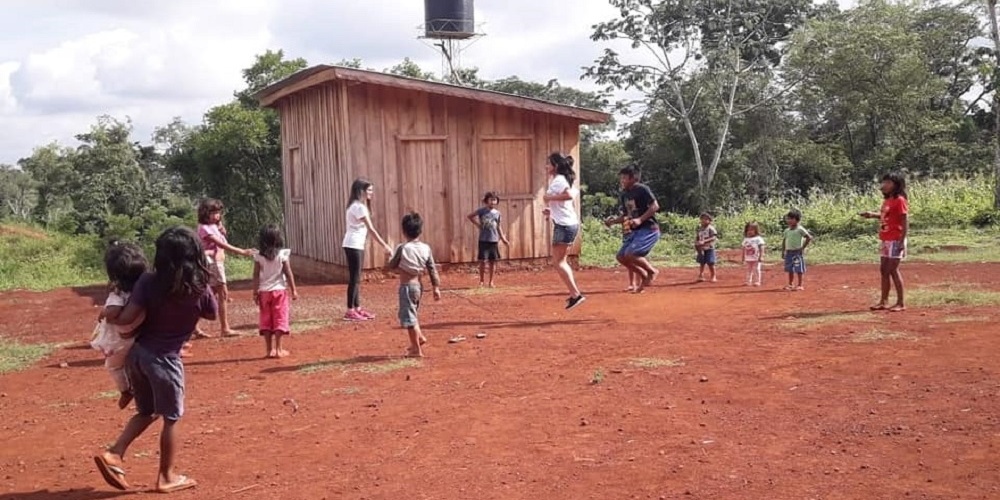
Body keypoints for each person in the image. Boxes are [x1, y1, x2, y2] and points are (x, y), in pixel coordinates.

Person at [93, 226, 218, 494]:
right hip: (165, 361)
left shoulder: (148, 281)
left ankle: (115, 453)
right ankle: (166, 476)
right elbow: (212, 314)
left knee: (147, 411)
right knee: (172, 417)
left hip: (137, 356)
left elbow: (127, 317)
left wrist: (109, 314)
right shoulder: (199, 289)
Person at [90, 241, 147, 410]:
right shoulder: (144, 288)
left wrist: (104, 313)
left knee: (113, 366)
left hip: (123, 340)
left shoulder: (117, 294)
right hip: (143, 333)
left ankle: (125, 390)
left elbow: (114, 312)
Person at [385, 212, 441, 358]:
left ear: (404, 231)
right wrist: (436, 287)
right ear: (420, 231)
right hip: (418, 287)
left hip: (407, 287)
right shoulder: (426, 248)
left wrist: (389, 256)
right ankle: (419, 338)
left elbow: (391, 265)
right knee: (412, 314)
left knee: (409, 318)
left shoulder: (403, 248)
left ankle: (416, 349)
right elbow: (432, 269)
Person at [196, 199, 254, 337]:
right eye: (213, 213)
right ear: (205, 213)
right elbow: (221, 245)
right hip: (213, 263)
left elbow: (222, 241)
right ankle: (225, 328)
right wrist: (241, 251)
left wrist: (221, 229)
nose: (217, 215)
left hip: (217, 262)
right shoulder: (204, 228)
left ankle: (194, 327)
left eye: (218, 212)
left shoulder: (214, 227)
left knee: (213, 294)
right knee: (220, 294)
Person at [342, 179, 393, 322]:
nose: (371, 193)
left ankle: (357, 308)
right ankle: (350, 310)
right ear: (361, 191)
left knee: (357, 277)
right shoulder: (358, 207)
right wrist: (385, 246)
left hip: (355, 244)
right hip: (353, 245)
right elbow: (371, 229)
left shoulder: (357, 206)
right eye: (369, 190)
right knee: (354, 278)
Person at [603, 166, 661, 293]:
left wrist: (640, 219)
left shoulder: (642, 189)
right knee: (621, 257)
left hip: (649, 229)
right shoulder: (624, 194)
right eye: (621, 178)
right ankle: (643, 275)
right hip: (635, 231)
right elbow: (626, 215)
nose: (621, 180)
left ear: (633, 178)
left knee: (631, 253)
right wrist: (613, 221)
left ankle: (652, 271)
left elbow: (655, 206)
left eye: (624, 178)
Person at [542, 152, 585, 310]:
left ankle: (576, 294)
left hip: (564, 226)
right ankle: (574, 294)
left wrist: (549, 198)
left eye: (548, 163)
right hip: (567, 224)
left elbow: (567, 196)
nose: (546, 166)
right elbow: (566, 201)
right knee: (560, 261)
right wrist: (551, 211)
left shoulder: (559, 179)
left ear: (555, 166)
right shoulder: (563, 179)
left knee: (558, 262)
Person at [860, 172, 909, 312]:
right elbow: (886, 216)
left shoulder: (900, 200)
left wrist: (901, 241)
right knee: (884, 270)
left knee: (893, 269)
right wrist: (872, 215)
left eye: (888, 182)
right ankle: (884, 301)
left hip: (895, 238)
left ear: (896, 185)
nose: (884, 185)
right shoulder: (887, 200)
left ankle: (900, 303)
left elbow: (905, 221)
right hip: (886, 238)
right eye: (884, 182)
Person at [252, 225, 299, 358]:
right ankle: (279, 349)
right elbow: (288, 273)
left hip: (264, 292)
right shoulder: (282, 254)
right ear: (278, 239)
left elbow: (255, 275)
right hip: (279, 291)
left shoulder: (258, 256)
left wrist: (255, 292)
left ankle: (269, 350)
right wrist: (294, 290)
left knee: (266, 319)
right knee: (279, 318)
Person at [467, 192, 510, 288]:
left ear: (497, 201)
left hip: (494, 240)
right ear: (486, 201)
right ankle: (481, 281)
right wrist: (478, 225)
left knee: (492, 261)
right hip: (483, 239)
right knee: (482, 261)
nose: (492, 202)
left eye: (494, 200)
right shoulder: (482, 211)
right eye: (491, 199)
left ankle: (491, 282)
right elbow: (470, 216)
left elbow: (498, 227)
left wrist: (503, 238)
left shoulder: (497, 213)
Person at [781, 209, 813, 291]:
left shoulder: (800, 229)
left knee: (799, 268)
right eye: (788, 218)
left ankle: (800, 285)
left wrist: (802, 248)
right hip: (789, 252)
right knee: (790, 268)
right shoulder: (787, 231)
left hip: (797, 252)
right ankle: (790, 284)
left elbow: (809, 237)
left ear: (797, 220)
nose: (789, 220)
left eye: (792, 219)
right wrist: (783, 251)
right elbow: (784, 241)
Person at [695, 213, 719, 282]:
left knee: (711, 262)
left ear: (709, 221)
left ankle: (713, 276)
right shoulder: (699, 229)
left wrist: (704, 241)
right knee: (701, 262)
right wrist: (697, 243)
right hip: (701, 248)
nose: (703, 220)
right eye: (702, 219)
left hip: (709, 248)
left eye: (706, 219)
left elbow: (714, 237)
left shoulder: (710, 228)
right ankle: (701, 275)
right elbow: (697, 237)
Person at [741, 222, 766, 286]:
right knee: (748, 270)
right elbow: (743, 249)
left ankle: (757, 281)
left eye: (752, 230)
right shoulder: (745, 239)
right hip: (748, 258)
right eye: (748, 230)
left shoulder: (758, 239)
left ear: (756, 230)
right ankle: (748, 281)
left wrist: (761, 256)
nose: (749, 231)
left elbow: (762, 247)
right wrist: (743, 258)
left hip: (756, 257)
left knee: (757, 269)